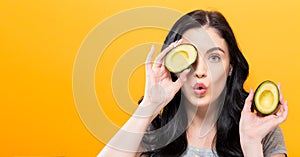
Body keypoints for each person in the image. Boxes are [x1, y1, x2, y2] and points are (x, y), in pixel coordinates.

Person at [98, 10, 288, 157]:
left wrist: (252, 144)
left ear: (230, 67)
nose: (200, 71)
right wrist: (148, 106)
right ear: (173, 65)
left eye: (214, 57)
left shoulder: (261, 131)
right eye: (191, 58)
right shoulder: (154, 129)